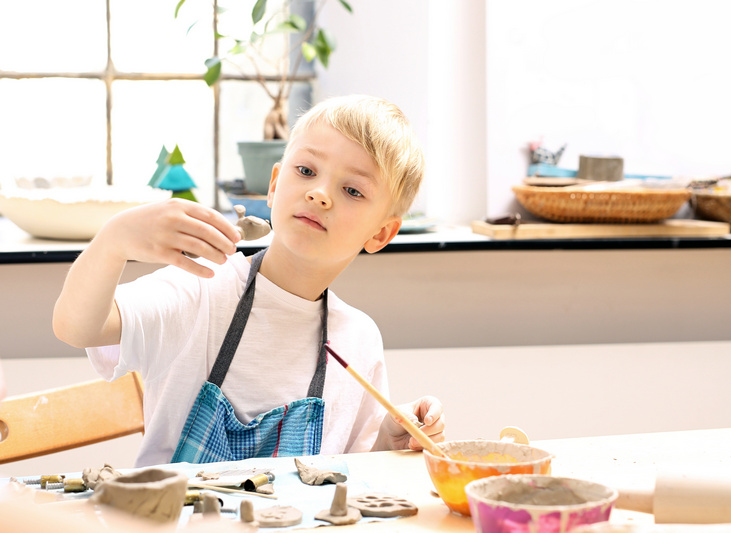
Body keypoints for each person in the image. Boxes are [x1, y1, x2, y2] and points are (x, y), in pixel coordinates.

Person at [52, 95, 445, 467]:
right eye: (306, 171)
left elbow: (355, 473)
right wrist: (113, 242)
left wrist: (389, 441)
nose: (320, 194)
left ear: (381, 234)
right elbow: (77, 328)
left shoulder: (358, 339)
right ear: (274, 186)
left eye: (352, 190)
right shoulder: (200, 287)